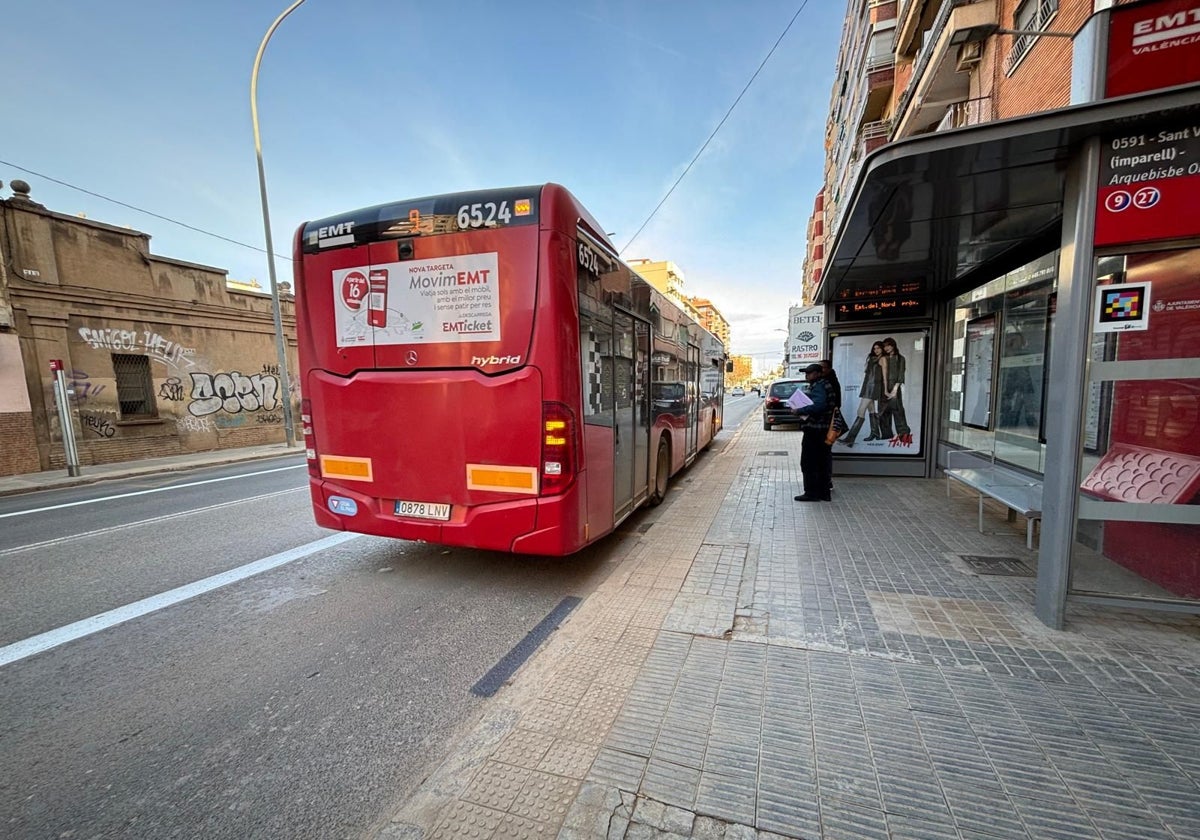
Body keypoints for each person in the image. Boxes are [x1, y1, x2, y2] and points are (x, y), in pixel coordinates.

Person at [792, 363, 834, 502]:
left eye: (809, 373)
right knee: (822, 461)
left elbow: (819, 406)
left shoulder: (820, 386)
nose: (807, 376)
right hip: (822, 429)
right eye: (806, 373)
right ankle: (823, 492)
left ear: (818, 374)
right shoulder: (824, 384)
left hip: (816, 429)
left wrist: (799, 410)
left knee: (809, 462)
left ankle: (811, 492)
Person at [840, 341, 886, 446]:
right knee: (871, 410)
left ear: (882, 348)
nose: (876, 350)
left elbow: (884, 375)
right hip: (868, 385)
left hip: (873, 386)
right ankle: (875, 433)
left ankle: (850, 438)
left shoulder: (882, 359)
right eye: (874, 348)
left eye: (878, 348)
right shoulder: (873, 359)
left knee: (860, 410)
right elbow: (867, 372)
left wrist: (885, 390)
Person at [879, 336, 912, 444]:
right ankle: (886, 435)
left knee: (898, 410)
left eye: (888, 345)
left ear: (893, 345)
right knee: (883, 411)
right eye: (884, 346)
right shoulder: (883, 358)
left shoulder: (900, 358)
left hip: (894, 386)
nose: (886, 348)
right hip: (883, 387)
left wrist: (895, 389)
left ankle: (904, 435)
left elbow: (901, 374)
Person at [819, 359, 841, 493]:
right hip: (827, 422)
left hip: (826, 423)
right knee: (825, 452)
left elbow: (825, 404)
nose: (820, 371)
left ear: (828, 369)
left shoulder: (829, 383)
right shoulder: (830, 381)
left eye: (821, 368)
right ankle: (826, 481)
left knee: (824, 451)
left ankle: (826, 481)